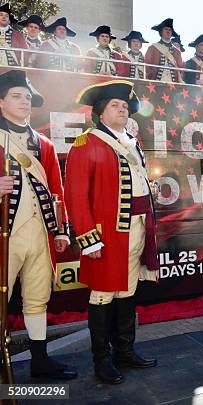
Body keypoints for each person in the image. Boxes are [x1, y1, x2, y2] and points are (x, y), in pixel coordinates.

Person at [65, 80, 159, 384]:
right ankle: (101, 360)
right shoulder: (86, 143)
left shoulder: (131, 141)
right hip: (106, 235)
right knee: (104, 293)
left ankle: (124, 351)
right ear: (100, 113)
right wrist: (88, 237)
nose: (122, 110)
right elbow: (76, 195)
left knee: (128, 289)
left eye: (124, 106)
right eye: (115, 106)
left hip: (137, 229)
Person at [0, 70, 77, 380]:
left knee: (37, 297)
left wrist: (61, 229)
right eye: (17, 96)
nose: (24, 102)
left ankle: (40, 360)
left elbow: (56, 190)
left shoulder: (42, 143)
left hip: (41, 235)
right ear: (1, 102)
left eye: (27, 98)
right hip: (5, 237)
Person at [144, 18, 183, 82]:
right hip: (156, 82)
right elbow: (147, 65)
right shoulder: (153, 48)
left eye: (170, 30)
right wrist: (151, 76)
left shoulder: (177, 51)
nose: (168, 31)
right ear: (161, 31)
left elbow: (180, 67)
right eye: (166, 29)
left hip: (173, 82)